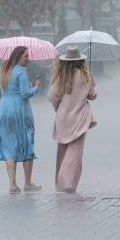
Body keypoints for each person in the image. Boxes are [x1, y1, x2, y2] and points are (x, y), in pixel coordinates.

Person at [47, 46, 97, 194]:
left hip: (63, 118)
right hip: (80, 118)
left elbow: (52, 96)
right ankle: (69, 182)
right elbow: (93, 95)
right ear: (81, 61)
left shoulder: (61, 77)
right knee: (75, 151)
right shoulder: (86, 76)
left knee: (62, 150)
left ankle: (60, 183)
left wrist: (58, 106)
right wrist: (91, 83)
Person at [0, 46, 42, 194]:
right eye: (26, 56)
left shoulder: (5, 70)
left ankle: (12, 184)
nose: (28, 59)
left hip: (4, 109)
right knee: (27, 143)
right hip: (19, 110)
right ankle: (27, 183)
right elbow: (24, 94)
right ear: (19, 56)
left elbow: (3, 91)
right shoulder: (21, 71)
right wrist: (35, 87)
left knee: (10, 147)